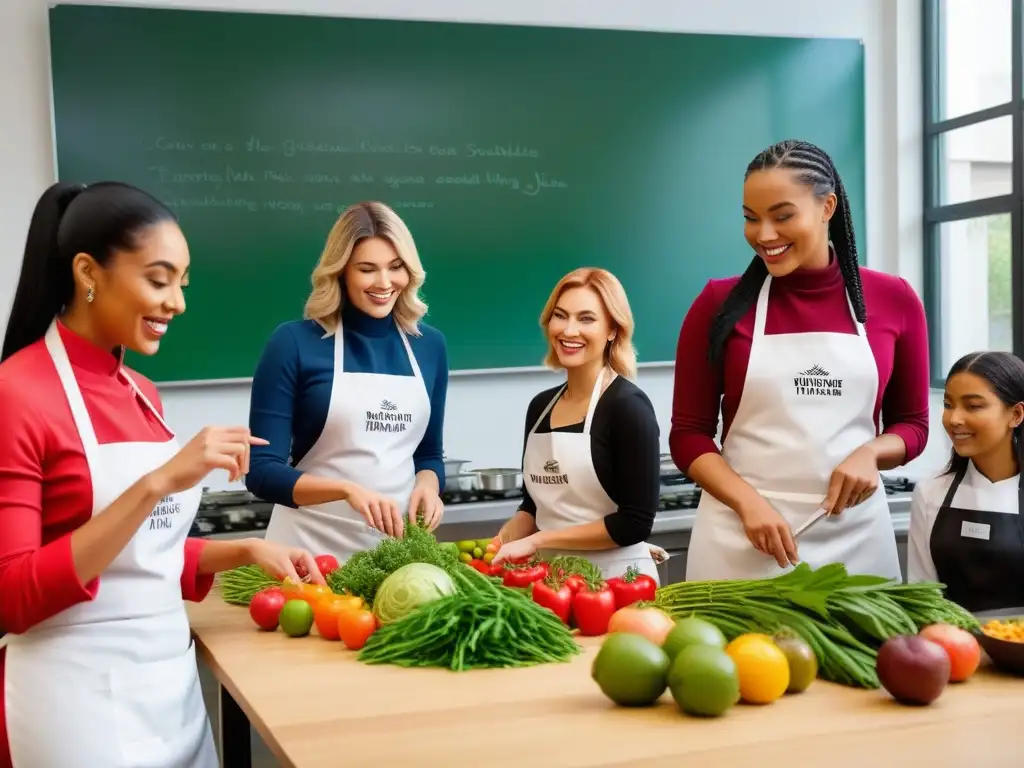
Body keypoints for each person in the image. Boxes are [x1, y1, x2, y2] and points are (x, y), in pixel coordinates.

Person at [0, 181, 324, 768]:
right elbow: (11, 597)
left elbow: (137, 558)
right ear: (87, 272)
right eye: (158, 278)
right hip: (74, 704)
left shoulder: (141, 393)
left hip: (170, 690)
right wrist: (157, 483)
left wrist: (245, 550)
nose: (176, 302)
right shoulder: (15, 394)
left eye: (182, 282)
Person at [671, 139, 930, 582]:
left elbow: (913, 425)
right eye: (751, 218)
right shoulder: (718, 302)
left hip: (855, 542)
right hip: (741, 540)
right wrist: (748, 504)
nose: (764, 235)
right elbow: (688, 436)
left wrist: (872, 452)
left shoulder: (894, 300)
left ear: (827, 206)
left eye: (783, 215)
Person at [246, 201, 449, 560]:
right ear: (341, 272)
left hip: (395, 556)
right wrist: (345, 490)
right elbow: (262, 473)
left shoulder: (429, 345)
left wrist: (429, 487)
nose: (385, 283)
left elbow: (428, 454)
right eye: (367, 269)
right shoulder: (294, 343)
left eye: (396, 267)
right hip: (306, 553)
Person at [491, 268, 662, 581]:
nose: (569, 330)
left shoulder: (628, 407)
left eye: (586, 319)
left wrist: (539, 540)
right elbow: (532, 507)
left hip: (618, 581)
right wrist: (502, 541)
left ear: (613, 329)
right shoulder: (541, 407)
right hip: (552, 582)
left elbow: (634, 522)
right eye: (560, 315)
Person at [908, 351, 1024, 611]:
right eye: (949, 405)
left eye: (973, 406)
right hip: (953, 648)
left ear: (1016, 415)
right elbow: (923, 600)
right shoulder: (930, 493)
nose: (954, 419)